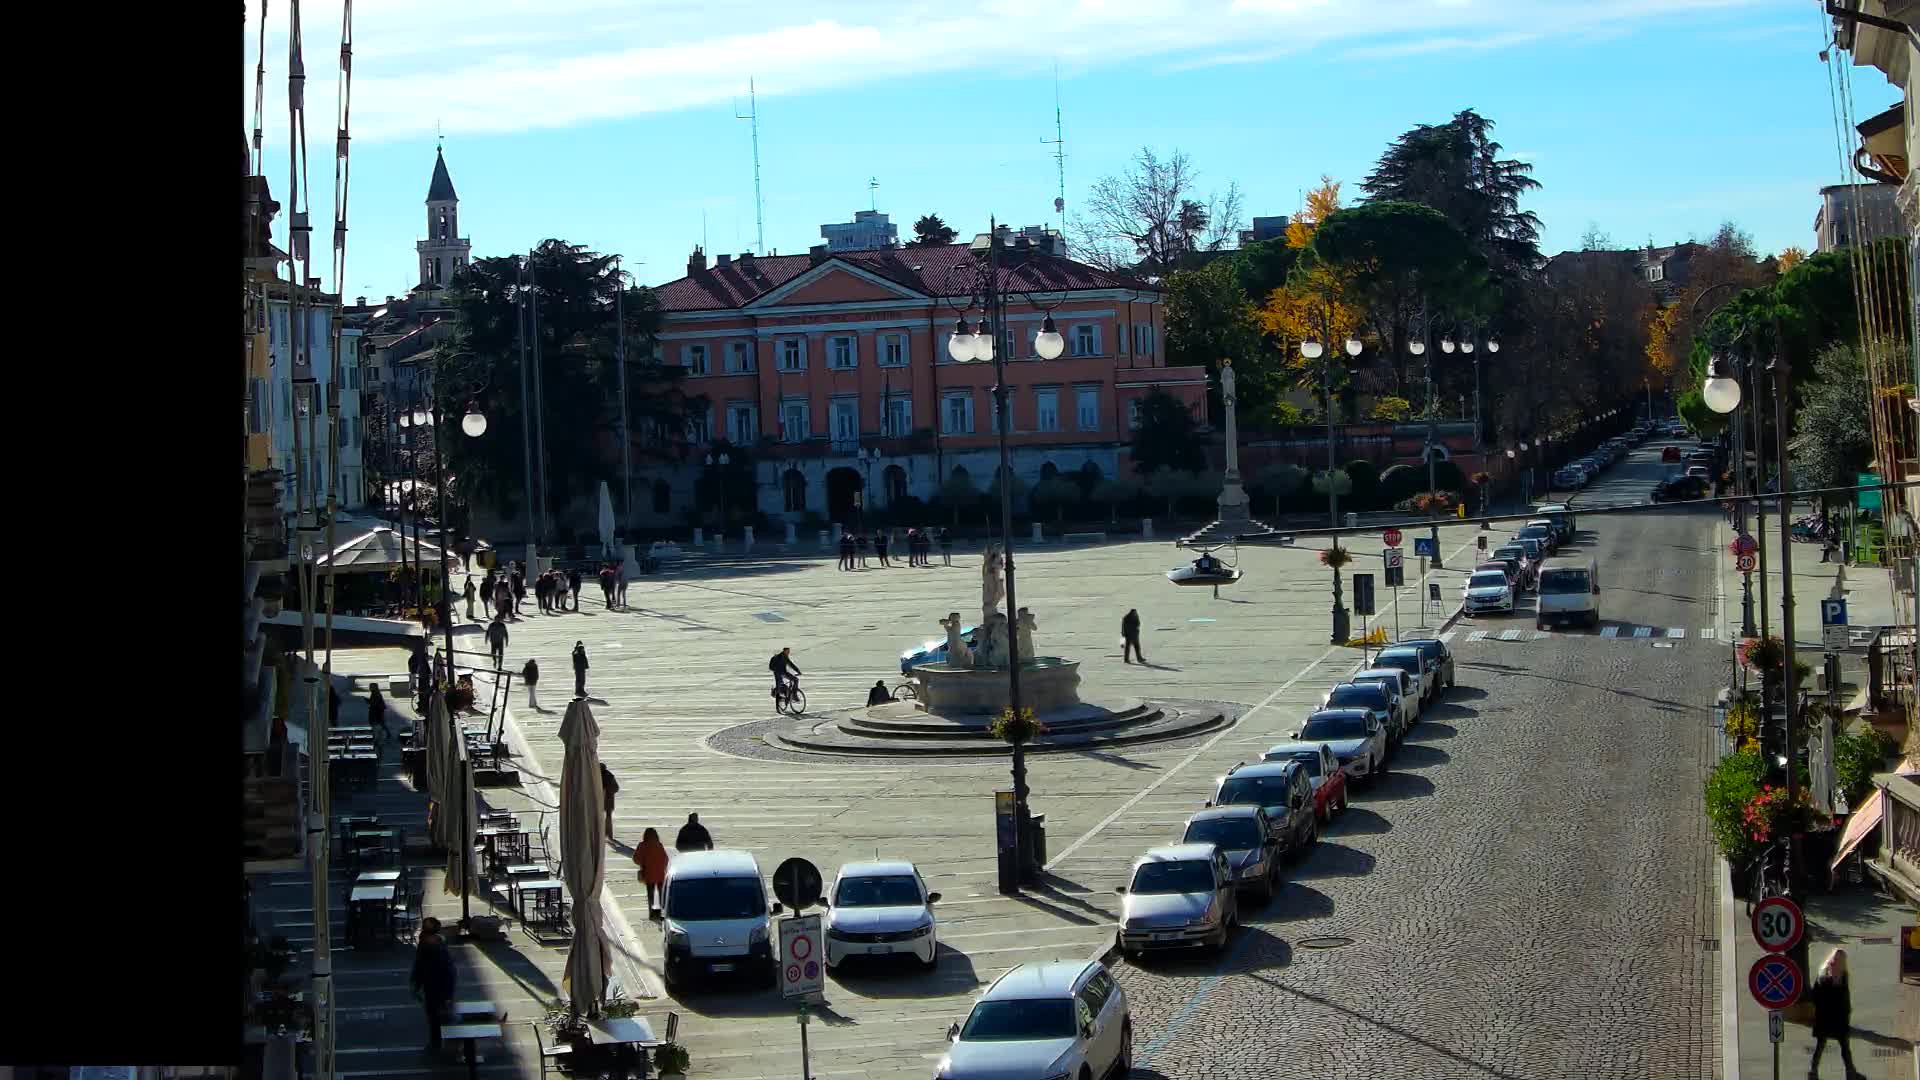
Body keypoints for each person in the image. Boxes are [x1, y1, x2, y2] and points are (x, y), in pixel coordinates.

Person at [1808, 947, 1864, 1079]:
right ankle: (1813, 1072)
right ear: (1832, 959)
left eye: (1840, 960)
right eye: (1835, 959)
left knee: (1844, 1047)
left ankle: (1851, 1073)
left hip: (1840, 1018)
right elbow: (1816, 997)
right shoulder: (1823, 976)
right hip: (1825, 1017)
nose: (1836, 962)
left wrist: (1847, 1012)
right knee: (1821, 1045)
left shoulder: (1843, 975)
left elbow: (1845, 996)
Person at [409, 916, 456, 1053]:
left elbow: (448, 971)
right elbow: (419, 965)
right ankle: (439, 1042)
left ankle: (444, 1043)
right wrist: (416, 984)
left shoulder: (438, 948)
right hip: (432, 986)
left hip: (438, 987)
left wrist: (448, 993)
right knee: (435, 1016)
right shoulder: (427, 943)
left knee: (439, 1015)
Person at [633, 827, 669, 918]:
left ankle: (652, 914)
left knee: (651, 896)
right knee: (662, 895)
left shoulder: (642, 845)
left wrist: (643, 863)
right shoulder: (659, 845)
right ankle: (662, 913)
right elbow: (666, 859)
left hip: (649, 874)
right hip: (660, 874)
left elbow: (636, 859)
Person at [600, 762, 619, 838]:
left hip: (606, 800)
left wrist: (607, 790)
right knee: (607, 817)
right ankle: (606, 834)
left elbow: (615, 788)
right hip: (606, 800)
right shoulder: (609, 776)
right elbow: (616, 788)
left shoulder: (608, 776)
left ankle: (607, 834)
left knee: (607, 817)